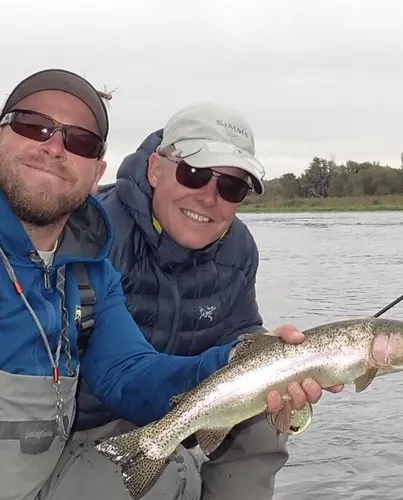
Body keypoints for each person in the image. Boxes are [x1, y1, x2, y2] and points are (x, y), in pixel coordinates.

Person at [0, 68, 341, 500]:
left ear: (95, 170)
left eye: (232, 186)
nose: (209, 196)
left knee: (240, 435)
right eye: (195, 173)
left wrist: (249, 360)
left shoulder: (88, 270)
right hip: (80, 431)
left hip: (161, 410)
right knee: (173, 470)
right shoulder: (103, 243)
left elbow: (130, 372)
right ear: (156, 170)